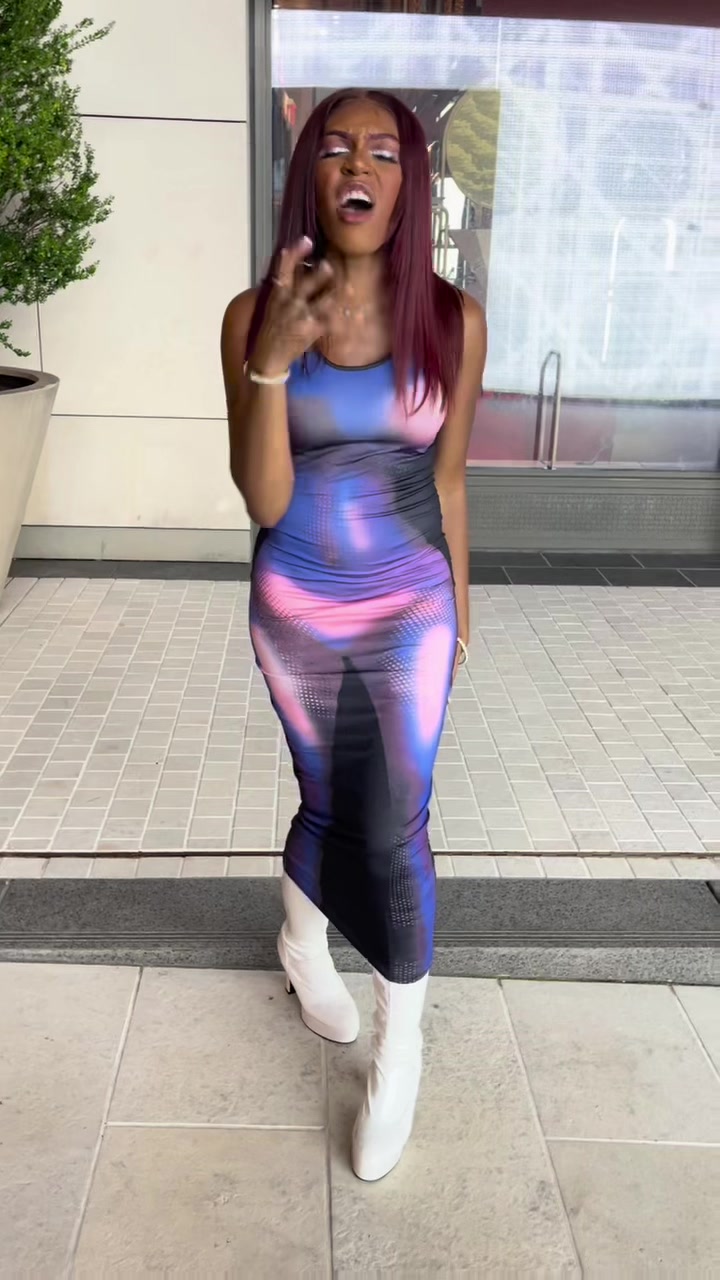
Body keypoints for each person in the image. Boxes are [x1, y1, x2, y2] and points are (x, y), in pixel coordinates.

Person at [221, 88, 486, 1182]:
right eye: (335, 149)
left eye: (382, 151)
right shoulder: (253, 312)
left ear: (409, 182)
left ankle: (401, 1047)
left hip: (411, 600)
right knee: (330, 798)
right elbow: (264, 500)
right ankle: (300, 940)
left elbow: (450, 478)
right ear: (311, 178)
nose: (358, 166)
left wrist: (462, 606)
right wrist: (274, 360)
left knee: (397, 819)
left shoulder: (454, 319)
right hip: (297, 600)